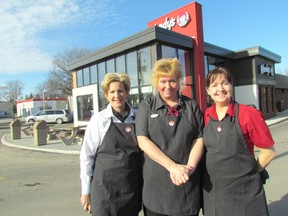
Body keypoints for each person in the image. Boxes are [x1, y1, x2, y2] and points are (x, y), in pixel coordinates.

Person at [202, 67, 276, 216]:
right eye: (214, 85)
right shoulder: (206, 116)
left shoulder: (249, 115)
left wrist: (250, 173)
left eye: (225, 83)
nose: (220, 89)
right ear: (208, 90)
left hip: (244, 192)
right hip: (214, 194)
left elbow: (268, 153)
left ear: (231, 86)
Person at [135, 58, 204, 216]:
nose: (167, 86)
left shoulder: (191, 106)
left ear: (179, 81)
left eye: (172, 81)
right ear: (156, 82)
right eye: (163, 81)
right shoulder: (147, 105)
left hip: (186, 185)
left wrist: (189, 169)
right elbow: (142, 140)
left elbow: (199, 138)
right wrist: (173, 167)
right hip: (156, 191)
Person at [80, 73, 142, 216]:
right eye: (112, 92)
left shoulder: (138, 117)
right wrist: (86, 190)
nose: (117, 95)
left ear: (127, 92)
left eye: (120, 91)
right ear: (107, 95)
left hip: (131, 189)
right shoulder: (99, 119)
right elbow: (86, 156)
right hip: (104, 189)